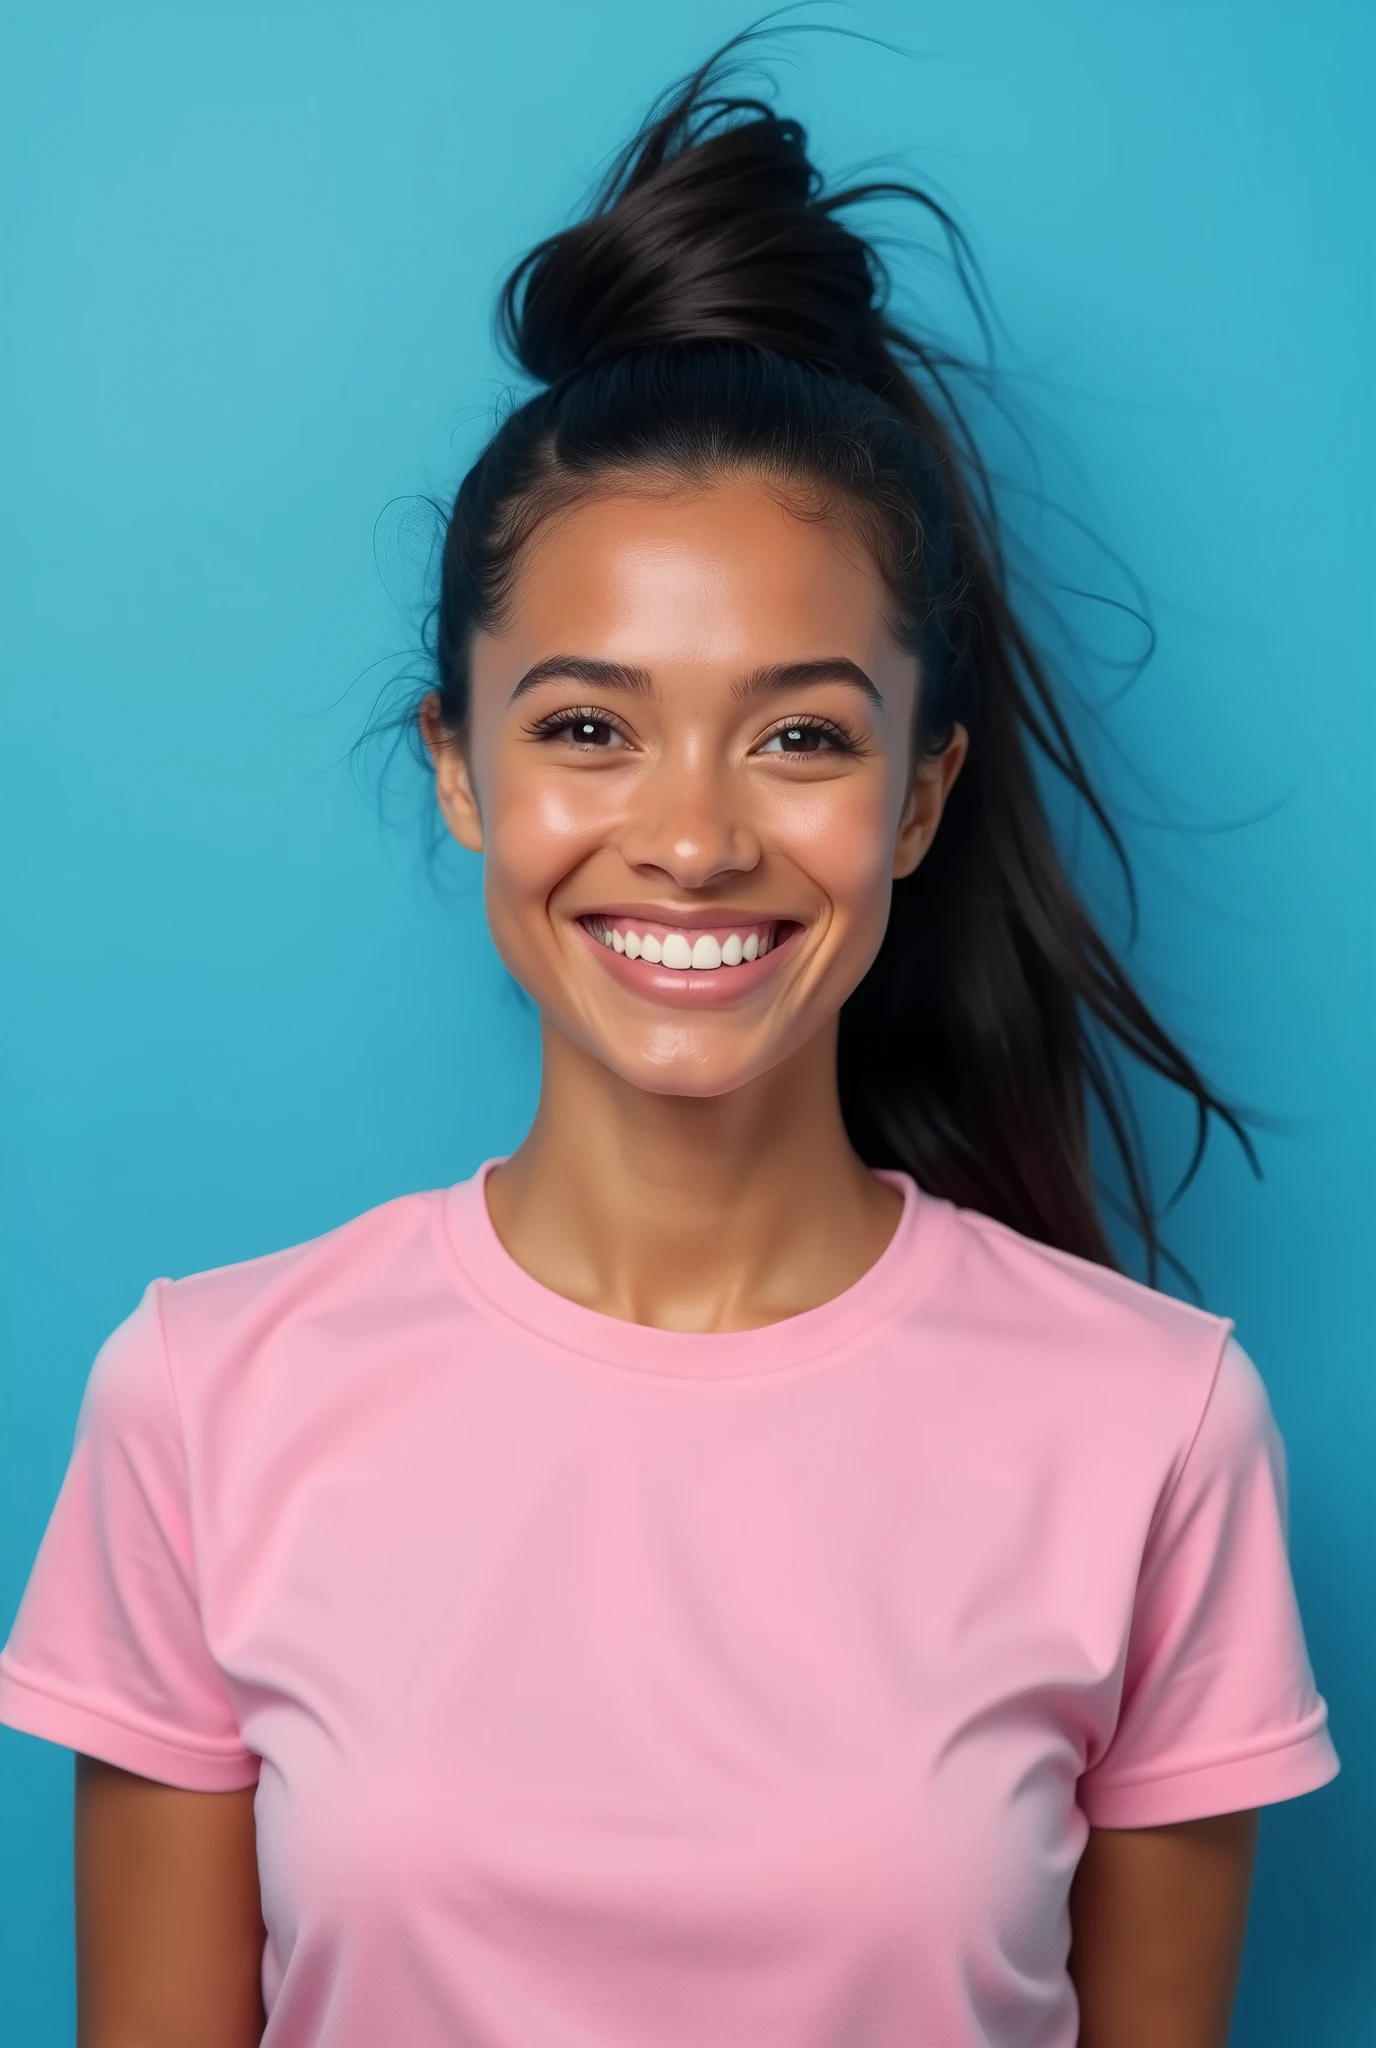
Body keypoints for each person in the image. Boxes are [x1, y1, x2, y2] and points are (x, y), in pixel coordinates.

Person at [0, 33, 1338, 2048]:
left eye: (799, 733)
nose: (697, 836)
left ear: (916, 794)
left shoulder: (1154, 1431)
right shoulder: (203, 1404)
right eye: (587, 726)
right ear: (460, 770)